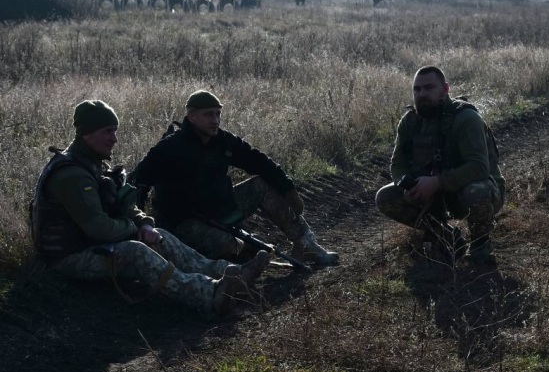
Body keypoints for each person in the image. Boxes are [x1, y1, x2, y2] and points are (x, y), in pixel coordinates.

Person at [31, 100, 269, 316]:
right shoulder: (72, 175)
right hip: (67, 259)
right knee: (136, 251)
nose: (114, 138)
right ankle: (210, 295)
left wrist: (144, 223)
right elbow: (98, 228)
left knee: (160, 236)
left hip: (92, 246)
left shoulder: (92, 164)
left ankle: (230, 273)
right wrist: (133, 231)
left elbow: (124, 206)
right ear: (86, 134)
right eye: (107, 132)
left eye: (114, 131)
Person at [129, 90, 338, 267]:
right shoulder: (169, 148)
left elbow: (259, 162)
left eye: (218, 114)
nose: (215, 120)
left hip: (220, 212)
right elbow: (137, 182)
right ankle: (238, 258)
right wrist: (141, 226)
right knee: (227, 245)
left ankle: (307, 246)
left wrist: (288, 190)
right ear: (191, 117)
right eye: (208, 115)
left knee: (261, 184)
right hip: (182, 223)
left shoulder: (223, 141)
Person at [374, 66, 505, 262]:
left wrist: (436, 182)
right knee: (385, 196)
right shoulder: (410, 122)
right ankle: (445, 237)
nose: (422, 94)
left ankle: (480, 245)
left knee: (476, 190)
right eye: (417, 90)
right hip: (434, 193)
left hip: (475, 191)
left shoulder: (466, 119)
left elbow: (479, 168)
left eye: (429, 88)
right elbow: (397, 163)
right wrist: (405, 183)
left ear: (445, 89)